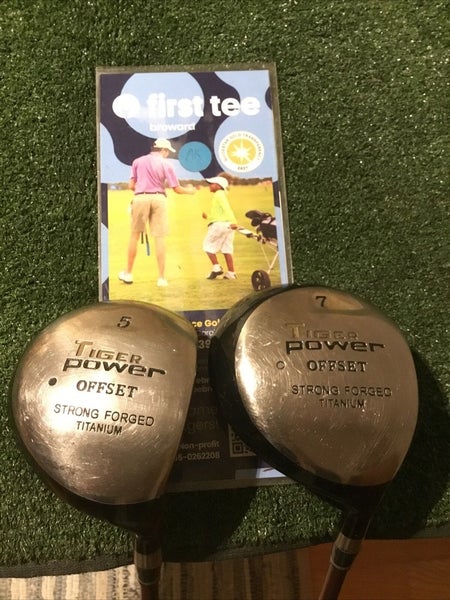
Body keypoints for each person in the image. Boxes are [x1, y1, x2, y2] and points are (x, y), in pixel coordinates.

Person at [119, 138, 195, 287]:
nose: (168, 154)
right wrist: (190, 191)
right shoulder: (167, 164)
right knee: (159, 238)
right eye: (168, 152)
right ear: (163, 150)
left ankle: (128, 273)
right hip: (159, 199)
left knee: (134, 236)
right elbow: (177, 189)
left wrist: (142, 190)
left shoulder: (137, 161)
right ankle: (161, 278)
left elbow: (131, 186)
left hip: (140, 198)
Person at [202, 176, 238, 280]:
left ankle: (216, 267)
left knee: (207, 245)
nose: (209, 185)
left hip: (220, 225)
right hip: (227, 225)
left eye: (211, 184)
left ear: (218, 186)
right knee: (227, 248)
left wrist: (234, 222)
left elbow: (227, 209)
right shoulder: (220, 194)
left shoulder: (218, 195)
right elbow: (218, 214)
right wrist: (207, 217)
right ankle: (231, 273)